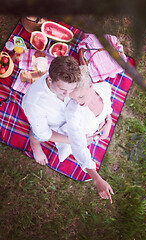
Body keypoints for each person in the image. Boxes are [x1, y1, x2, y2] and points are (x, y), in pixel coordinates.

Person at [56, 65, 114, 202]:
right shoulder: (73, 112)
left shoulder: (104, 88)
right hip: (72, 134)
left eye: (81, 96)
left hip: (93, 130)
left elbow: (108, 105)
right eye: (74, 98)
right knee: (64, 153)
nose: (78, 102)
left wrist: (108, 121)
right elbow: (79, 148)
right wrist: (97, 179)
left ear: (90, 86)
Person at [22, 56, 81, 165]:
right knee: (37, 135)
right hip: (46, 125)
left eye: (71, 89)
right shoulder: (34, 104)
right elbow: (44, 133)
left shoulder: (67, 79)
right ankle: (35, 145)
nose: (68, 94)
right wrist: (71, 140)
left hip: (66, 115)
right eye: (62, 89)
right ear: (50, 79)